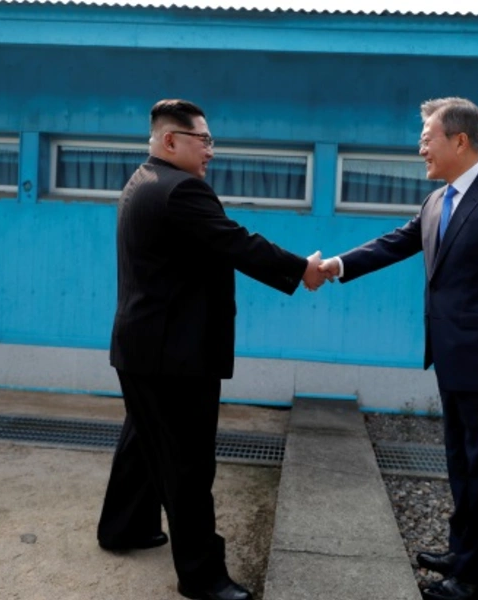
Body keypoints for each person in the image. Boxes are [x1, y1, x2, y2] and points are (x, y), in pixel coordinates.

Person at [98, 99, 328, 600]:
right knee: (187, 464)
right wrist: (301, 269)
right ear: (170, 141)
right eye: (203, 141)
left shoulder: (142, 181)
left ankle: (123, 527)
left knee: (144, 441)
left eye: (211, 142)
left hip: (140, 347)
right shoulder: (182, 191)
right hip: (175, 356)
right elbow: (237, 243)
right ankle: (203, 577)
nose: (210, 153)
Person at [319, 97, 478, 600]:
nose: (420, 146)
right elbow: (396, 243)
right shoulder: (438, 200)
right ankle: (462, 552)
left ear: (459, 141)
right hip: (453, 361)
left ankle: (476, 579)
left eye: (428, 137)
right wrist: (335, 265)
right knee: (462, 465)